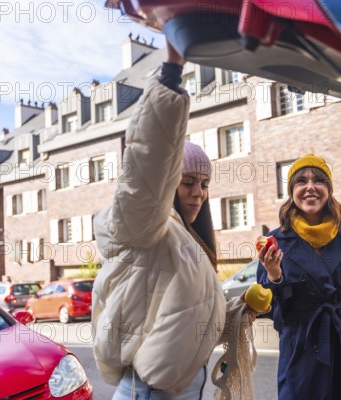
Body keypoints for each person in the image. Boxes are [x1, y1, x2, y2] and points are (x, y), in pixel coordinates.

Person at [91, 42, 228, 399]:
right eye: (187, 182)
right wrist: (170, 72)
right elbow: (148, 163)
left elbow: (189, 310)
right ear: (168, 181)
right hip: (149, 391)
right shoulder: (146, 225)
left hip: (182, 386)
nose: (199, 193)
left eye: (204, 184)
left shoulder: (185, 239)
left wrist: (247, 303)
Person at [257, 153, 341, 400]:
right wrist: (274, 276)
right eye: (301, 181)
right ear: (292, 191)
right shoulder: (276, 241)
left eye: (318, 180)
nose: (310, 186)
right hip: (301, 346)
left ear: (328, 189)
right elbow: (263, 305)